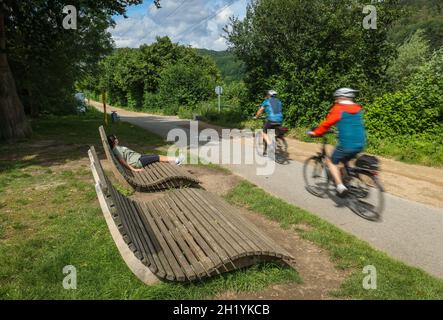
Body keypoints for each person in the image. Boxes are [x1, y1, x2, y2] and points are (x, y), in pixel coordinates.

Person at [308, 88, 366, 197]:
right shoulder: (357, 108)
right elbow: (351, 124)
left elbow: (326, 124)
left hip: (347, 144)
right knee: (345, 161)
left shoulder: (339, 108)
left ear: (341, 97)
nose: (335, 100)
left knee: (331, 162)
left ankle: (340, 186)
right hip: (360, 142)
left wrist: (315, 133)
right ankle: (349, 180)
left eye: (337, 98)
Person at [107, 134, 185, 173]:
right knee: (157, 157)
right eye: (116, 138)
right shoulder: (116, 150)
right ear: (114, 141)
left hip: (137, 158)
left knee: (155, 155)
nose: (117, 139)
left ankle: (175, 160)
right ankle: (176, 160)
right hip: (137, 162)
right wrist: (134, 169)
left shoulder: (115, 148)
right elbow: (122, 161)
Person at [254, 90, 284, 154]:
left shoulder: (266, 101)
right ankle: (276, 140)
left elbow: (260, 110)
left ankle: (270, 144)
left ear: (269, 95)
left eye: (267, 95)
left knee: (264, 132)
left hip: (271, 120)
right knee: (276, 132)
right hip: (280, 120)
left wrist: (256, 117)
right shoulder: (279, 102)